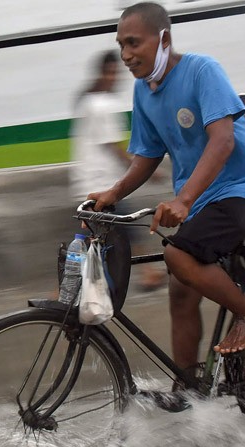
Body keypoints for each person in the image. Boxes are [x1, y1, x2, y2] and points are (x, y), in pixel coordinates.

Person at [88, 2, 245, 382]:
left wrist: (183, 199)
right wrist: (113, 192)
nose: (125, 55)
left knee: (179, 258)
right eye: (121, 45)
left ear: (164, 39)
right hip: (205, 200)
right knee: (181, 292)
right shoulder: (144, 91)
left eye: (134, 43)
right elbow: (147, 156)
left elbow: (221, 141)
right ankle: (188, 387)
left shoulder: (202, 70)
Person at [70, 50, 165, 290]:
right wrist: (146, 170)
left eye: (116, 72)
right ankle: (148, 273)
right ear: (102, 73)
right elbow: (115, 148)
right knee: (125, 229)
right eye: (110, 72)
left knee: (91, 238)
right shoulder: (102, 104)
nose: (114, 77)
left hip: (93, 183)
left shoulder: (90, 100)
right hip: (102, 184)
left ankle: (147, 273)